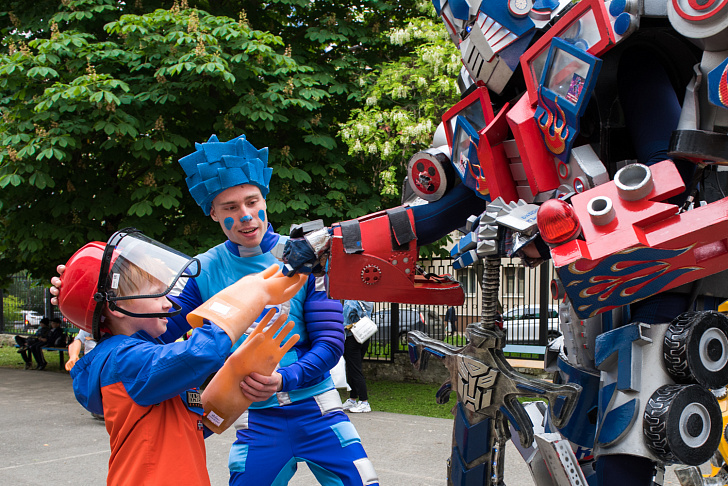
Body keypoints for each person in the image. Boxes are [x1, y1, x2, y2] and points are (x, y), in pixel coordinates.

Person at [168, 133, 379, 486]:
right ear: (213, 213)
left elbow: (330, 343)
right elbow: (156, 333)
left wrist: (285, 378)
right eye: (230, 208)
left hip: (319, 411)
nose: (245, 215)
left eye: (252, 202)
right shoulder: (201, 271)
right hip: (255, 420)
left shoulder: (308, 257)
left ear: (264, 200)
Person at [53, 228, 303, 486]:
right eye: (157, 293)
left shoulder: (149, 360)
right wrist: (253, 295)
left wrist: (236, 381)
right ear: (117, 305)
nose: (169, 303)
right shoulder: (123, 359)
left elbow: (191, 428)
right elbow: (202, 352)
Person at [341, 300, 374, 413]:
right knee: (353, 368)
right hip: (364, 335)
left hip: (352, 336)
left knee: (354, 370)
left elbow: (347, 317)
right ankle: (352, 399)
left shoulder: (351, 300)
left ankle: (364, 402)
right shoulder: (367, 299)